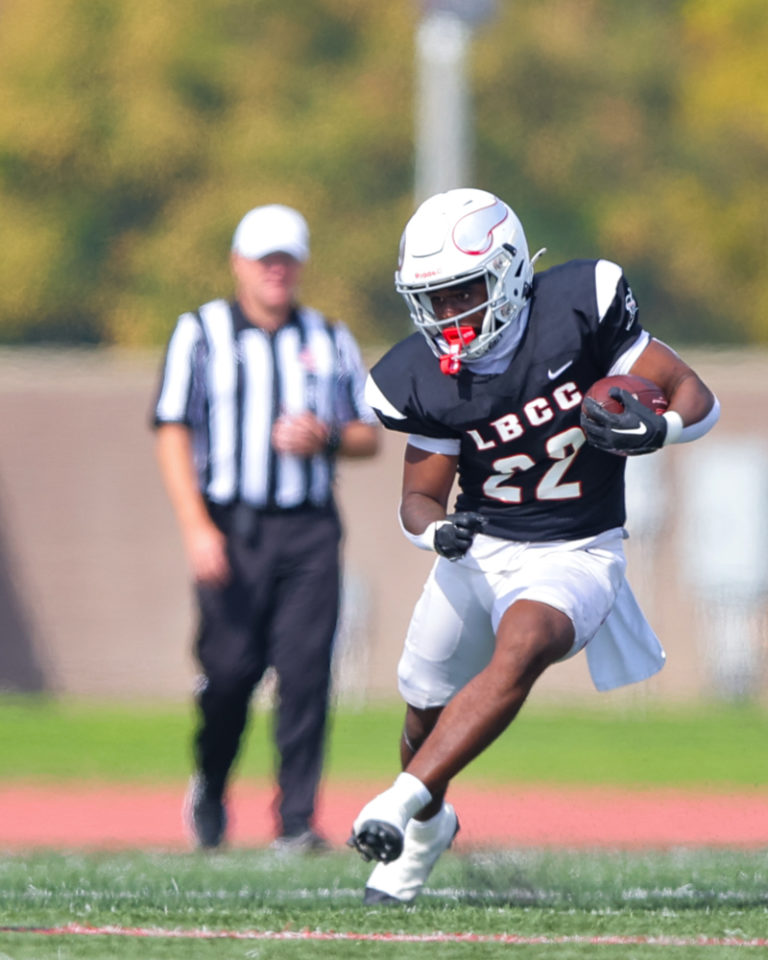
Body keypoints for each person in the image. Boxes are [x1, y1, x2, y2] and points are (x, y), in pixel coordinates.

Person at [348, 187, 720, 902]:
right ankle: (427, 823)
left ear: (512, 269)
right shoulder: (423, 377)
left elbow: (692, 391)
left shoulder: (579, 308)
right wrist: (435, 531)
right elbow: (417, 499)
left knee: (526, 640)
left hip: (579, 549)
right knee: (422, 708)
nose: (451, 316)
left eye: (465, 292)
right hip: (480, 551)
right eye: (436, 299)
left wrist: (664, 429)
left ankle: (396, 803)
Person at [153, 203, 380, 852]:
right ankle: (211, 787)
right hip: (232, 523)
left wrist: (326, 436)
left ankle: (297, 818)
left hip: (308, 528)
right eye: (264, 259)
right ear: (239, 264)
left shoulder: (328, 338)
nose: (276, 271)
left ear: (300, 265)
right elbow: (172, 430)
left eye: (286, 259)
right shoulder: (200, 333)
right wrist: (197, 527)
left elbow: (367, 435)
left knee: (307, 672)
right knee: (229, 672)